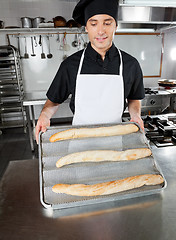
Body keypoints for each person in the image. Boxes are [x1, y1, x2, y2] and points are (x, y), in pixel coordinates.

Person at [35, 0, 145, 144]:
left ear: (115, 26)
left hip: (115, 141)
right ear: (86, 27)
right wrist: (44, 115)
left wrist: (136, 115)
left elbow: (134, 99)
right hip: (79, 141)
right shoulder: (70, 65)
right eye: (93, 24)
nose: (100, 31)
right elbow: (53, 102)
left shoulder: (130, 64)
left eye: (107, 23)